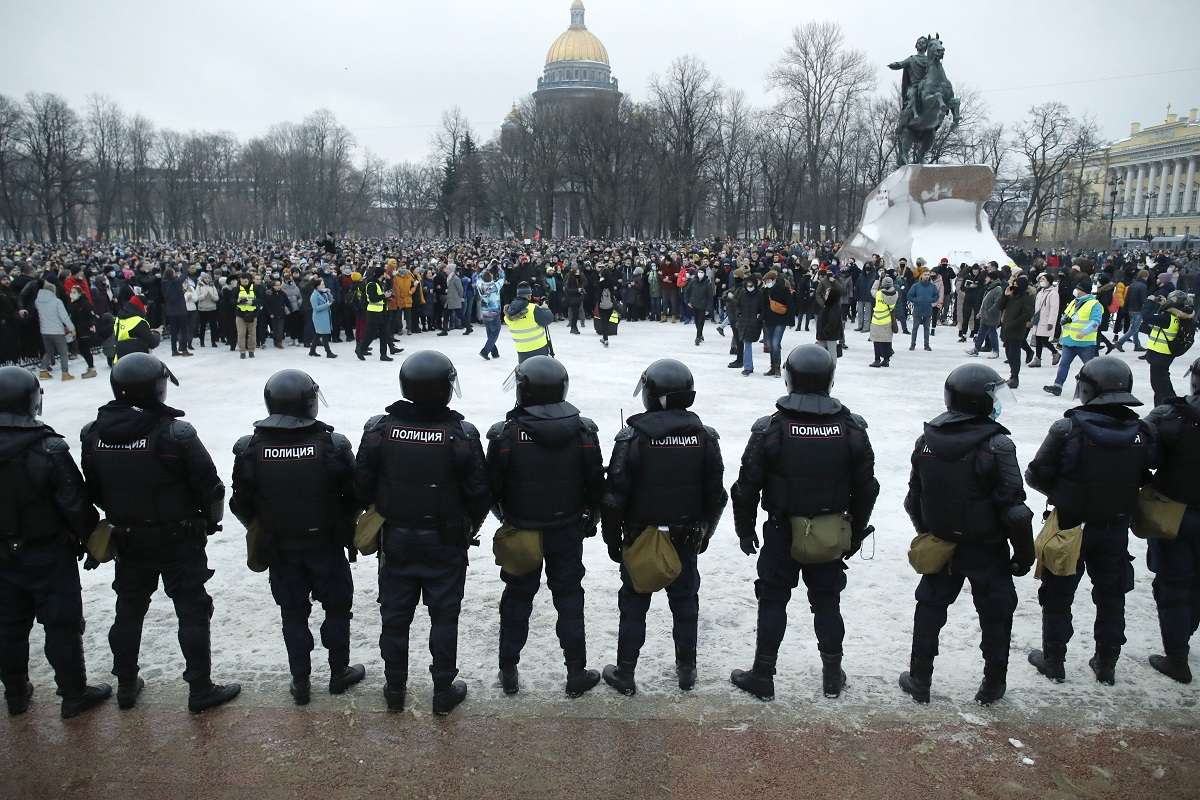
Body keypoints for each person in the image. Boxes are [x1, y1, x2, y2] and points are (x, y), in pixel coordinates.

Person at [81, 353, 239, 713]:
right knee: (192, 610)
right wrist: (209, 521)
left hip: (127, 537)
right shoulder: (175, 433)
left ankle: (125, 683)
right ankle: (200, 688)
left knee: (129, 608)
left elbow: (93, 488)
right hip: (177, 537)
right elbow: (211, 488)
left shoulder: (93, 434)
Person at [729, 345, 878, 700]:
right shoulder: (851, 429)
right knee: (827, 602)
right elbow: (867, 488)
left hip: (782, 529)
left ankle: (763, 674)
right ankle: (832, 675)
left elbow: (746, 486)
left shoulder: (770, 429)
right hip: (829, 532)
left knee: (773, 600)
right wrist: (855, 532)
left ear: (789, 378)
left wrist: (745, 529)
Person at [354, 351, 490, 714]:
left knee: (395, 616)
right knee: (444, 616)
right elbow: (480, 493)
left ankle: (394, 687)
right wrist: (468, 526)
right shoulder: (461, 434)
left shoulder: (380, 429)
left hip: (396, 538)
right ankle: (443, 689)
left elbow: (361, 485)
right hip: (445, 540)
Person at [899, 363, 1034, 705]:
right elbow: (1015, 509)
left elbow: (913, 499)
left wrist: (931, 534)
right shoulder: (998, 445)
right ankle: (993, 683)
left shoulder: (926, 441)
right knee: (996, 613)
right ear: (979, 401)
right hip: (987, 547)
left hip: (943, 544)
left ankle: (920, 678)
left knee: (930, 608)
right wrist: (1024, 553)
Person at [230, 370, 364, 705]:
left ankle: (300, 680)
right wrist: (342, 523)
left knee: (292, 613)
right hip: (326, 545)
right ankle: (338, 672)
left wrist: (262, 526)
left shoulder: (250, 448)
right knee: (337, 609)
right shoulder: (332, 445)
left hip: (281, 547)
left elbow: (240, 503)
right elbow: (355, 495)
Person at [1025, 357, 1156, 686]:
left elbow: (1036, 474)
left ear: (1086, 389)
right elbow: (1146, 473)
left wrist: (1066, 493)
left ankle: (1054, 660)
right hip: (1115, 527)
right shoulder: (1141, 431)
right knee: (1112, 595)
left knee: (1058, 594)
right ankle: (1106, 663)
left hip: (1070, 526)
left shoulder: (1067, 428)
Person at [600, 359, 727, 695]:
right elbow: (716, 495)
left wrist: (612, 540)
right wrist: (706, 532)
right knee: (685, 603)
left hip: (641, 537)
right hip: (686, 536)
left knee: (634, 604)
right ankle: (687, 669)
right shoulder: (705, 437)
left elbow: (613, 498)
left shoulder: (632, 438)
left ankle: (626, 672)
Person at [485, 357, 605, 697]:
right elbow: (596, 484)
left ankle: (508, 668)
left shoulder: (506, 434)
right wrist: (591, 518)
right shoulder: (583, 431)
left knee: (516, 598)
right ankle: (576, 672)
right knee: (569, 599)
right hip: (566, 530)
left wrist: (506, 517)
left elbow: (491, 487)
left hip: (522, 530)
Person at [0, 366, 112, 718]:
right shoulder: (48, 448)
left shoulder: (47, 446)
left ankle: (15, 693)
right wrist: (91, 538)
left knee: (8, 626)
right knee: (62, 625)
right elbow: (75, 503)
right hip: (47, 551)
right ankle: (73, 693)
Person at [1143, 358, 1200, 684]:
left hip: (1175, 511)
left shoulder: (1172, 414)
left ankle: (1177, 657)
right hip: (1180, 510)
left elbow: (1144, 453)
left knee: (1173, 584)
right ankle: (1184, 633)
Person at [1044, 277, 1102, 397]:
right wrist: (1063, 320)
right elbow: (1066, 315)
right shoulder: (1073, 302)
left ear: (1083, 291)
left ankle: (1098, 388)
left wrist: (1084, 332)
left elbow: (1096, 322)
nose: (1075, 290)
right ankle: (1057, 386)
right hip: (1069, 340)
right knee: (1063, 364)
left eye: (1078, 288)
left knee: (1090, 367)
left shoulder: (1094, 304)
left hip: (1085, 343)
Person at [1144, 290, 1196, 407]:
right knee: (1161, 385)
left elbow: (1146, 317)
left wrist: (1149, 302)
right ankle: (1163, 408)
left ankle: (1172, 408)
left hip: (1161, 354)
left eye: (1171, 299)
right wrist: (1163, 304)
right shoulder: (1177, 315)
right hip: (1164, 354)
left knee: (1160, 386)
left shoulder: (1168, 318)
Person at [998, 275, 1035, 389]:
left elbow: (1027, 314)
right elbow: (999, 306)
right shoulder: (1011, 296)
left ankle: (1015, 377)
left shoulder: (1026, 298)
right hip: (1006, 329)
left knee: (1014, 354)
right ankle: (1012, 375)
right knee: (1009, 353)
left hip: (1016, 330)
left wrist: (1013, 324)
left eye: (1016, 285)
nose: (1013, 287)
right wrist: (1005, 295)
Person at [35, 279, 75, 382]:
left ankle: (43, 371)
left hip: (44, 331)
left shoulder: (37, 301)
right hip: (57, 331)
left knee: (49, 351)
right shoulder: (57, 302)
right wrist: (72, 328)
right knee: (63, 352)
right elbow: (64, 317)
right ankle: (65, 373)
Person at [504, 283, 554, 363]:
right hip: (539, 349)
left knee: (526, 370)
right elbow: (549, 318)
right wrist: (545, 309)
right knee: (541, 370)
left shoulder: (508, 313)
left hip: (522, 351)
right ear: (529, 296)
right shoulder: (533, 309)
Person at [356, 268, 394, 362]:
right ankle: (361, 349)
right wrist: (384, 296)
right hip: (373, 313)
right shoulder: (372, 284)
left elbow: (380, 296)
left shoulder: (379, 283)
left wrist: (387, 296)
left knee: (383, 333)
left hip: (382, 312)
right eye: (384, 273)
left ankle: (383, 355)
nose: (386, 274)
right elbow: (372, 298)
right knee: (371, 334)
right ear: (381, 274)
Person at [965, 272, 1002, 358]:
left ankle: (995, 351)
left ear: (991, 279)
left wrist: (989, 311)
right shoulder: (990, 288)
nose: (985, 279)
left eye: (987, 277)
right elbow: (984, 302)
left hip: (992, 316)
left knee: (992, 333)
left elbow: (997, 303)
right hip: (985, 315)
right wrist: (981, 312)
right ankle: (976, 349)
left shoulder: (997, 289)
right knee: (981, 333)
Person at [735, 273, 765, 376]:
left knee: (747, 343)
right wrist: (739, 314)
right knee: (746, 343)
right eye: (748, 285)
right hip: (743, 322)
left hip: (754, 323)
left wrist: (759, 318)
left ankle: (748, 367)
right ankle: (748, 366)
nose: (749, 287)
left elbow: (763, 309)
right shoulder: (742, 293)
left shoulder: (760, 295)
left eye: (751, 285)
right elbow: (738, 305)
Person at [1115, 270, 1150, 352]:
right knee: (1134, 329)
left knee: (1135, 328)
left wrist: (1125, 308)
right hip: (1138, 309)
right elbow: (1143, 300)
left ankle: (1137, 345)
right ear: (1145, 276)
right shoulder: (1143, 286)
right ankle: (1120, 342)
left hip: (1131, 309)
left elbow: (1127, 297)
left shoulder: (1132, 284)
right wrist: (1146, 308)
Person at [1030, 273, 1060, 368]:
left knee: (1044, 340)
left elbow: (1054, 309)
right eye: (1041, 279)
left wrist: (1051, 322)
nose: (1041, 281)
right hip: (1039, 320)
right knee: (1038, 339)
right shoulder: (1040, 292)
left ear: (1049, 281)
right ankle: (1037, 358)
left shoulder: (1053, 293)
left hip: (1046, 320)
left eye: (1044, 279)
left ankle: (1055, 353)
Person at [868, 276, 898, 368]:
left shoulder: (879, 294)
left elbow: (872, 290)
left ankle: (877, 360)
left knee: (876, 341)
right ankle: (886, 360)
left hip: (877, 320)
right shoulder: (895, 294)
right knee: (887, 341)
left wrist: (878, 279)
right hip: (888, 320)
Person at [476, 269, 504, 360]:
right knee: (494, 333)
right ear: (491, 277)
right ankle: (485, 351)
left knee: (490, 333)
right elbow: (502, 278)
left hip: (485, 312)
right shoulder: (495, 286)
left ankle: (494, 352)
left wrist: (486, 269)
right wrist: (499, 269)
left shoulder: (480, 285)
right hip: (494, 312)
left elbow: (478, 277)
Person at [907, 272, 939, 351]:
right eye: (925, 275)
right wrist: (916, 300)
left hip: (928, 309)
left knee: (927, 328)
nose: (927, 276)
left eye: (928, 275)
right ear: (921, 276)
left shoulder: (932, 286)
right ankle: (912, 345)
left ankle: (926, 345)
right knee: (915, 328)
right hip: (918, 310)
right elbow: (909, 295)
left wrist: (931, 300)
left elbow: (936, 296)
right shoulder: (916, 286)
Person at [308, 282, 337, 358]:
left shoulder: (323, 293)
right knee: (324, 334)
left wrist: (328, 292)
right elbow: (316, 308)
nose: (324, 286)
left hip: (325, 316)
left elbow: (331, 300)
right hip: (319, 318)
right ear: (317, 286)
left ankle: (312, 351)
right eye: (322, 284)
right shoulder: (314, 296)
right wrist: (326, 305)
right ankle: (328, 352)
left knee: (318, 334)